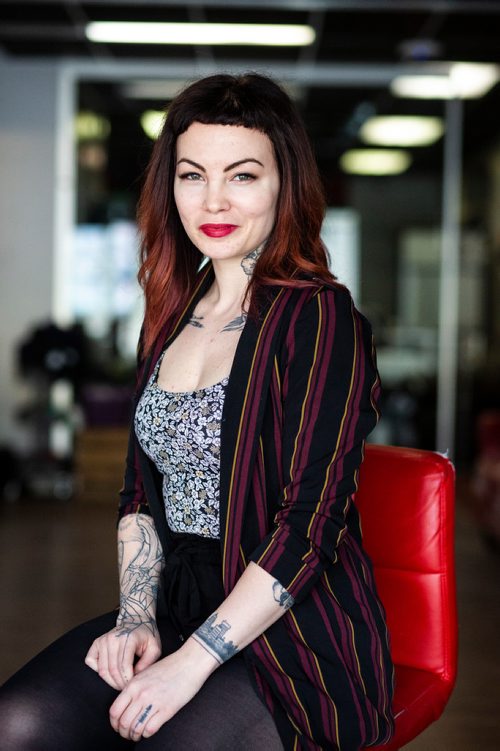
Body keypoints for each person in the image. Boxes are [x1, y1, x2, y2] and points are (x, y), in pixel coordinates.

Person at [0, 73, 394, 750]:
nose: (213, 199)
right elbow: (137, 495)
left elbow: (309, 526)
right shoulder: (167, 317)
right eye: (192, 175)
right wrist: (134, 618)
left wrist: (193, 661)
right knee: (18, 721)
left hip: (292, 636)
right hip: (177, 608)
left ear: (283, 185)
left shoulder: (319, 317)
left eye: (242, 175)